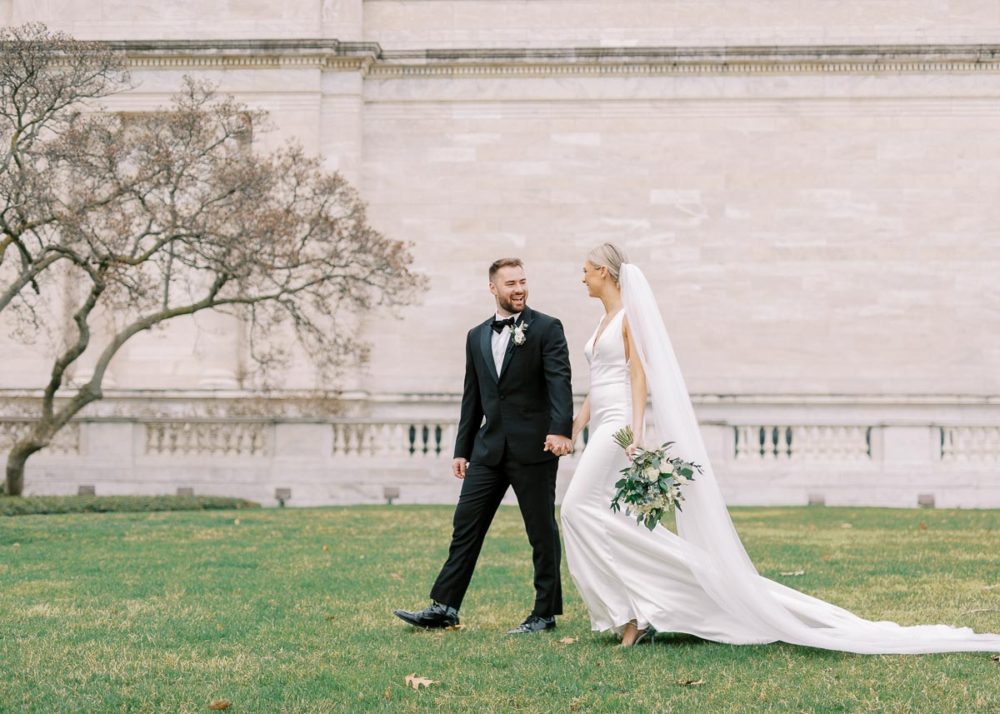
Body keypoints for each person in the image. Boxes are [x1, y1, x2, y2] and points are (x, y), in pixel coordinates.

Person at [561, 242, 1000, 653]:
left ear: (603, 271)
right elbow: (598, 385)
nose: (581, 279)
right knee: (610, 519)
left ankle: (627, 612)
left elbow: (639, 376)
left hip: (618, 427)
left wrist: (637, 432)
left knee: (576, 509)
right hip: (601, 423)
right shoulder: (602, 321)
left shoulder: (628, 320)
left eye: (585, 271)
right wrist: (575, 426)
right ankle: (635, 610)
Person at [394, 258, 575, 634]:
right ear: (493, 288)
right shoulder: (476, 336)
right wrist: (462, 449)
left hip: (534, 449)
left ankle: (544, 614)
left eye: (523, 281)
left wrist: (561, 431)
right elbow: (471, 397)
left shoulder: (546, 328)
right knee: (465, 526)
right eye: (510, 283)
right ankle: (444, 606)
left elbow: (560, 382)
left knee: (540, 531)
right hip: (488, 450)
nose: (519, 289)